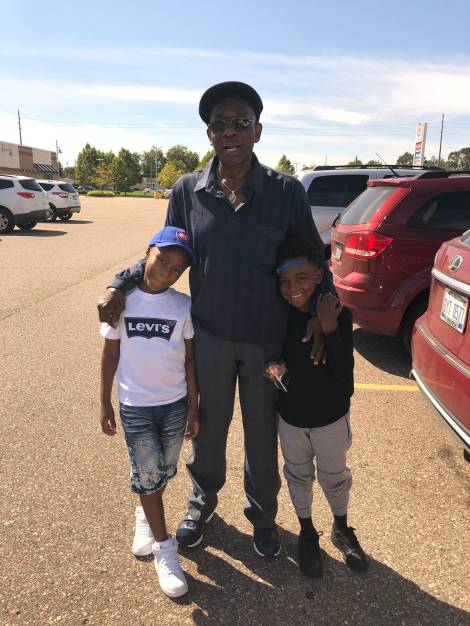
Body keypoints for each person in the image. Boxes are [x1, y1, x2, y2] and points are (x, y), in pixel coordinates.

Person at [98, 81, 333, 558]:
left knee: (262, 436)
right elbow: (163, 252)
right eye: (220, 124)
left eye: (240, 122)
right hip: (209, 340)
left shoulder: (285, 192)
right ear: (209, 134)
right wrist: (121, 284)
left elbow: (313, 256)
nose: (230, 132)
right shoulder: (188, 191)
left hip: (266, 343)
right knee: (206, 430)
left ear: (257, 131)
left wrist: (322, 311)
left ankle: (263, 516)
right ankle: (201, 504)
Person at [99, 226, 200, 598]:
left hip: (173, 405)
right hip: (136, 406)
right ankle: (164, 547)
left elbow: (189, 359)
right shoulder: (121, 302)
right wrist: (104, 400)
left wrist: (194, 405)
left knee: (163, 470)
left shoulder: (182, 305)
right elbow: (110, 354)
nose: (167, 272)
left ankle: (145, 511)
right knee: (148, 473)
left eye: (176, 269)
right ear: (147, 253)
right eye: (162, 260)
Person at [265, 237, 368, 578]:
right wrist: (275, 368)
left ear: (319, 275)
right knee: (298, 476)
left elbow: (345, 376)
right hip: (292, 419)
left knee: (335, 477)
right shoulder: (279, 319)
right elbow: (276, 358)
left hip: (330, 419)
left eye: (301, 278)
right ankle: (307, 531)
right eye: (284, 281)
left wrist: (329, 328)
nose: (292, 287)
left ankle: (341, 527)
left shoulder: (337, 314)